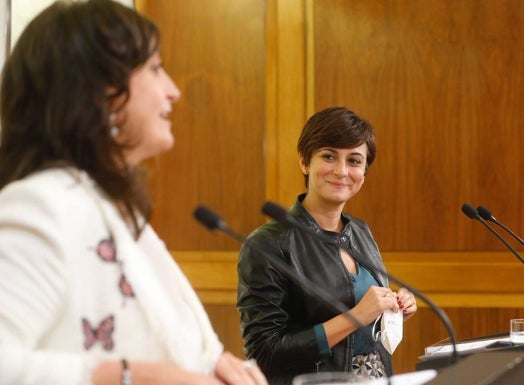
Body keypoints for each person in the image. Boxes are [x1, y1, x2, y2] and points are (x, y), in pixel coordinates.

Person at [0, 1, 267, 385]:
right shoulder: (42, 206)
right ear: (100, 91)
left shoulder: (115, 211)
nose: (174, 91)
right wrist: (131, 376)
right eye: (156, 69)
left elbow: (166, 336)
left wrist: (213, 359)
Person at [237, 106, 418, 385]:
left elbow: (361, 317)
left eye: (354, 161)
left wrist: (392, 308)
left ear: (364, 172)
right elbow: (264, 353)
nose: (342, 171)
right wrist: (356, 316)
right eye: (329, 156)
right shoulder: (267, 243)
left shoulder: (360, 231)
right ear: (304, 162)